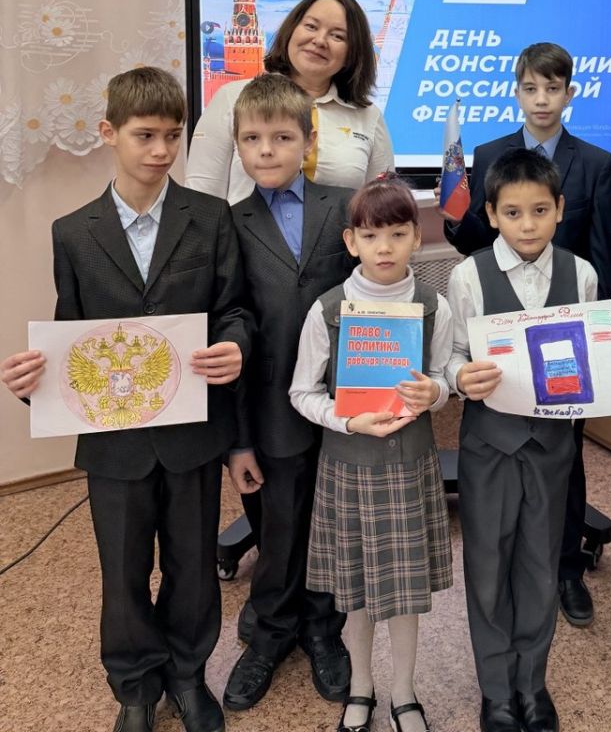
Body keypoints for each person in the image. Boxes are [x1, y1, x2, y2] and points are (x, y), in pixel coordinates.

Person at [1, 67, 252, 732]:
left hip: (192, 433)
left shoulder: (210, 219)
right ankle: (135, 685)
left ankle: (188, 674)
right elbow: (73, 337)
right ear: (108, 132)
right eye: (145, 135)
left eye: (173, 135)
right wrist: (36, 385)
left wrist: (235, 345)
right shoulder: (72, 233)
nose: (162, 150)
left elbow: (233, 309)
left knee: (193, 565)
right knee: (122, 568)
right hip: (114, 444)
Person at [442, 42, 611, 628]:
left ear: (569, 93)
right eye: (530, 88)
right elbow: (477, 239)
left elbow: (600, 254)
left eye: (553, 88)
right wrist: (455, 215)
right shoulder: (490, 153)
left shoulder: (594, 161)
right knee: (503, 452)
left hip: (566, 334)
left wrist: (600, 342)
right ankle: (510, 568)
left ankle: (566, 569)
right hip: (504, 330)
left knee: (564, 458)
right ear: (516, 92)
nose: (541, 99)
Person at [289, 176, 453, 732]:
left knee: (404, 594)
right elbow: (302, 392)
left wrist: (435, 393)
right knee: (355, 592)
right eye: (371, 235)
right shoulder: (329, 309)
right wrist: (347, 419)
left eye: (398, 234)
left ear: (416, 238)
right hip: (348, 464)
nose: (385, 247)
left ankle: (404, 692)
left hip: (409, 465)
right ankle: (361, 686)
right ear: (351, 240)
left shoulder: (432, 305)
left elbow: (442, 377)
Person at [447, 147, 598, 732]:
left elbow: (590, 356)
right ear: (491, 214)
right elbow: (451, 356)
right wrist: (459, 376)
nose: (527, 224)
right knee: (487, 566)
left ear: (559, 208)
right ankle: (496, 691)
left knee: (540, 565)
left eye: (539, 210)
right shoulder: (468, 275)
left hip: (552, 446)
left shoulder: (581, 274)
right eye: (512, 213)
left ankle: (532, 684)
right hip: (489, 444)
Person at [221, 74, 355, 712]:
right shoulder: (228, 224)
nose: (267, 150)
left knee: (332, 522)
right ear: (238, 146)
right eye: (252, 139)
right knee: (277, 526)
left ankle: (324, 629)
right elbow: (230, 324)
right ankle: (271, 632)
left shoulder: (345, 207)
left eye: (281, 137)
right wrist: (238, 440)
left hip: (343, 403)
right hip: (270, 406)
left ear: (308, 141)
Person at [186, 0, 394, 204]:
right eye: (311, 26)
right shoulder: (232, 98)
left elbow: (385, 206)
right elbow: (200, 200)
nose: (320, 40)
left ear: (353, 53)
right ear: (291, 30)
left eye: (337, 36)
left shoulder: (368, 117)